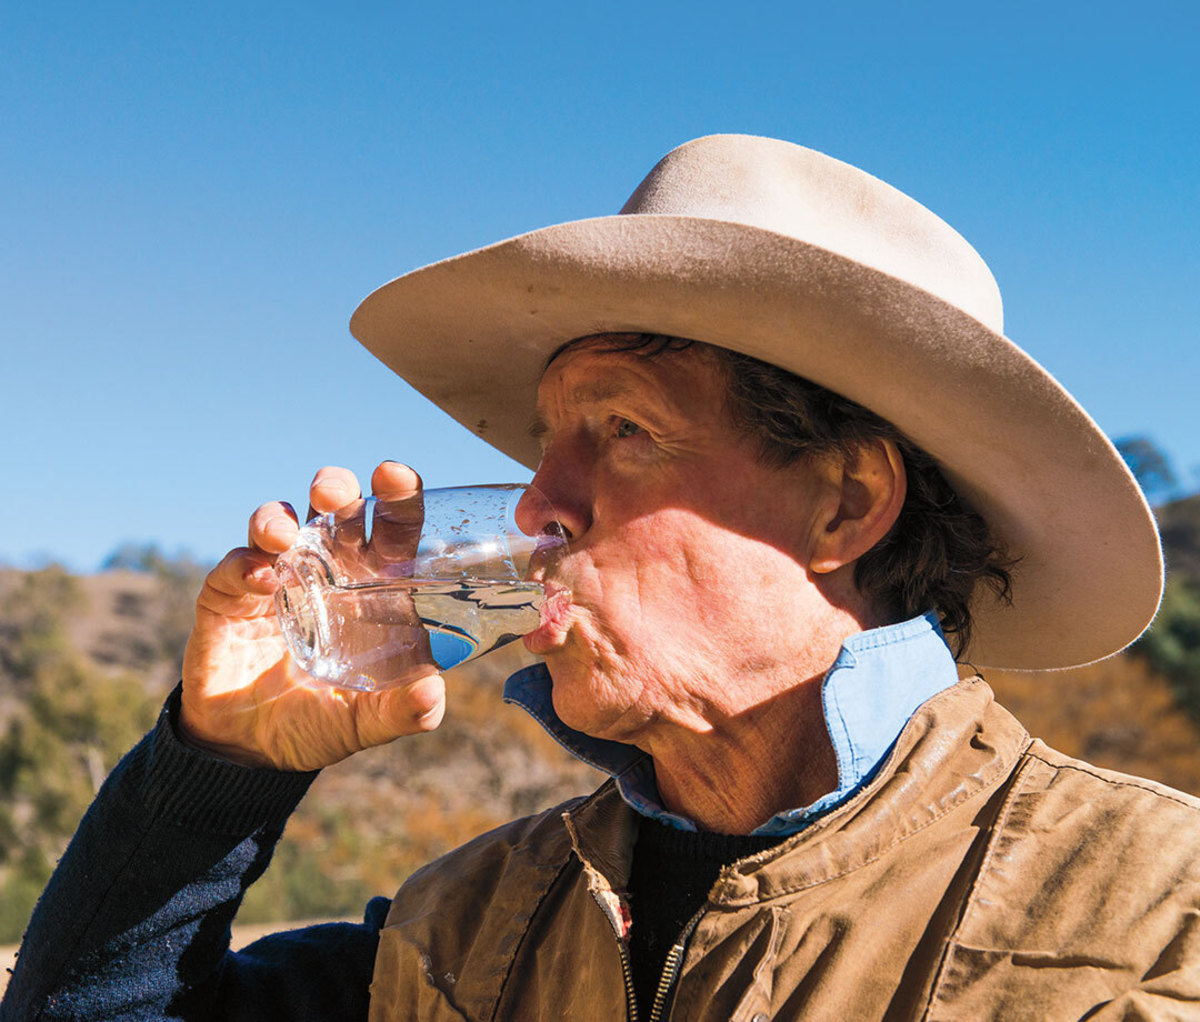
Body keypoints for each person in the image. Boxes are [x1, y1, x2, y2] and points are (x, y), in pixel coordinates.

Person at [4, 134, 1198, 1021]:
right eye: (545, 439)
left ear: (845, 503)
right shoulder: (461, 924)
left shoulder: (1155, 919)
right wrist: (222, 763)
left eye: (622, 429)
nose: (534, 503)